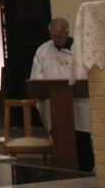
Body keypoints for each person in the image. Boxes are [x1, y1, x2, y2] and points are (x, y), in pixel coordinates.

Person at [30, 18, 93, 172]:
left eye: (59, 36)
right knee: (60, 139)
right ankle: (62, 169)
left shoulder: (80, 49)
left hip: (78, 103)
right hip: (55, 104)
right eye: (53, 36)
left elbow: (89, 72)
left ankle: (85, 170)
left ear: (67, 32)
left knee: (81, 139)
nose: (56, 39)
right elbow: (36, 78)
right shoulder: (43, 51)